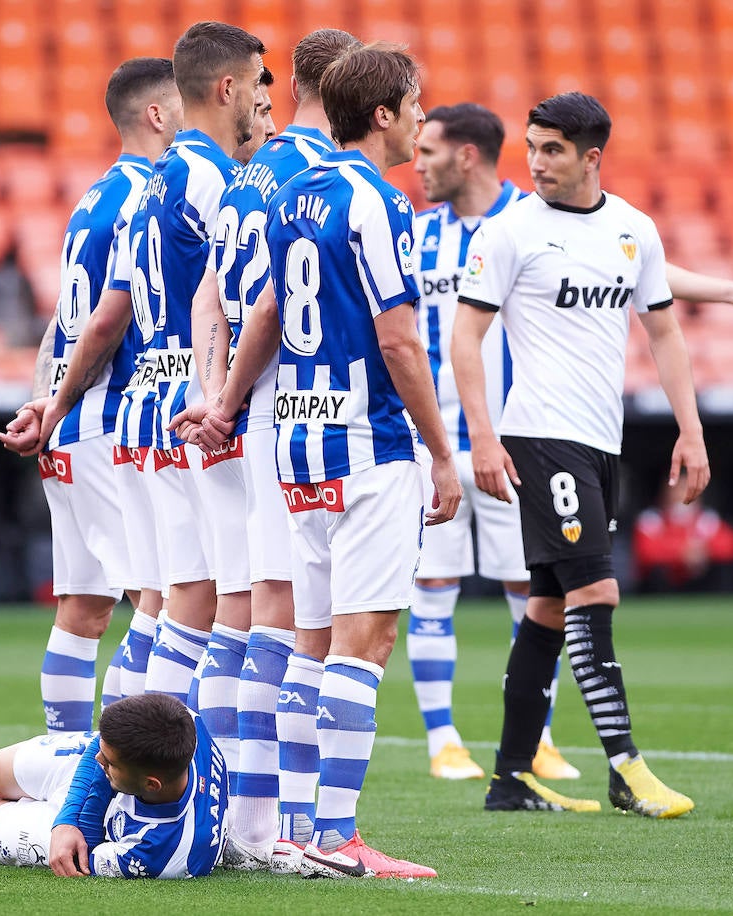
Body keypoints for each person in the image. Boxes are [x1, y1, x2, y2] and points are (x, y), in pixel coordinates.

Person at [406, 103, 733, 784]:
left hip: (525, 440)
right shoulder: (421, 235)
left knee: (530, 591)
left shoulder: (538, 222)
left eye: (431, 151)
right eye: (533, 148)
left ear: (467, 154)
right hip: (452, 436)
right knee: (444, 588)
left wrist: (727, 292)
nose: (419, 163)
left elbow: (638, 273)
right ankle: (452, 740)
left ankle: (529, 754)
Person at [173, 42, 460, 879]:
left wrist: (226, 404)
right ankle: (335, 836)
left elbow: (260, 306)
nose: (419, 121)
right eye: (413, 106)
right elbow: (401, 342)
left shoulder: (295, 189)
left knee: (308, 640)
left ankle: (295, 829)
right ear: (382, 113)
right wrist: (442, 454)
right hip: (367, 444)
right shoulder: (378, 202)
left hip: (295, 442)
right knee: (362, 644)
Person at [453, 92, 704, 818]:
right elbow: (467, 337)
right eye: (531, 146)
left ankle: (511, 777)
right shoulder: (510, 233)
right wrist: (483, 437)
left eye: (553, 150)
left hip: (602, 441)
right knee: (597, 592)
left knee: (549, 609)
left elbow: (663, 333)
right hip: (541, 435)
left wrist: (691, 430)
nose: (535, 162)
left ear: (593, 156)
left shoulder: (634, 230)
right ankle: (626, 769)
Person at [42, 22, 266, 713]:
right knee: (217, 602)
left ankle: (105, 769)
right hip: (182, 400)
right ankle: (159, 778)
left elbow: (87, 313)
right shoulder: (207, 175)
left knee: (159, 604)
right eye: (259, 87)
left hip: (133, 405)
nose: (264, 103)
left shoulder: (128, 191)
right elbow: (230, 296)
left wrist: (49, 401)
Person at [185, 28, 361, 874]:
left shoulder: (243, 175)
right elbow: (263, 308)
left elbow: (210, 298)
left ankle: (221, 810)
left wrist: (207, 391)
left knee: (238, 614)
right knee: (285, 623)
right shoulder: (313, 178)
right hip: (284, 413)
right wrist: (226, 399)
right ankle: (257, 826)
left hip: (235, 413)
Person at [0, 58, 183, 733]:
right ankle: (115, 770)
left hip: (71, 425)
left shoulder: (95, 197)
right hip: (109, 421)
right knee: (160, 601)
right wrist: (60, 398)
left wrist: (43, 399)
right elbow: (106, 317)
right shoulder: (153, 193)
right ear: (158, 115)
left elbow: (62, 320)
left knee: (82, 609)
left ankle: (65, 756)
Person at [0, 693, 227, 879]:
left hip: (106, 835)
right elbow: (98, 751)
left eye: (110, 761)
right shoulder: (182, 721)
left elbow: (85, 855)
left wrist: (72, 828)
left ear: (150, 784)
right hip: (105, 791)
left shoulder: (159, 855)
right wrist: (67, 819)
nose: (100, 760)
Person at [633, 475, 733, 592]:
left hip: (702, 584)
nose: (683, 496)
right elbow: (646, 552)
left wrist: (705, 550)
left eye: (689, 490)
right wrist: (681, 552)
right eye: (678, 490)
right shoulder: (652, 519)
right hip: (664, 587)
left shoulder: (706, 519)